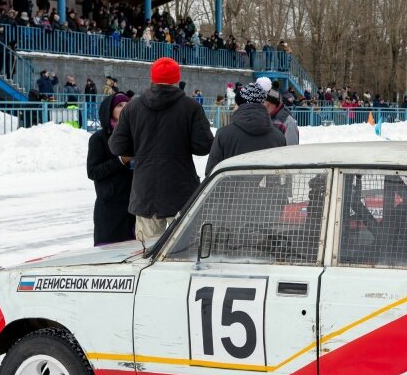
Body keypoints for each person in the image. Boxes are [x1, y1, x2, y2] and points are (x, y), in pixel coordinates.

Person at [109, 57, 214, 241]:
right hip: (181, 190)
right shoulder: (191, 107)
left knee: (147, 252)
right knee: (184, 251)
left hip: (145, 190)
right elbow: (203, 146)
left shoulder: (132, 107)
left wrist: (141, 147)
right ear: (176, 79)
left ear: (153, 79)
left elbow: (117, 146)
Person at [205, 81, 286, 176]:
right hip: (267, 190)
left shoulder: (223, 134)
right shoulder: (279, 137)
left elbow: (211, 173)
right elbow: (283, 176)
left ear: (240, 105)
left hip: (232, 190)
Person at [87, 93, 136, 245]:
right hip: (110, 206)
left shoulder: (137, 134)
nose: (124, 108)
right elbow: (93, 171)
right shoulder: (98, 138)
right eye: (119, 106)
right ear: (110, 110)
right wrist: (121, 161)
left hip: (134, 204)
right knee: (108, 254)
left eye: (127, 105)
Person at [260, 77, 299, 145]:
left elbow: (292, 151)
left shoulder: (287, 123)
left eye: (262, 101)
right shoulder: (263, 117)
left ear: (269, 103)